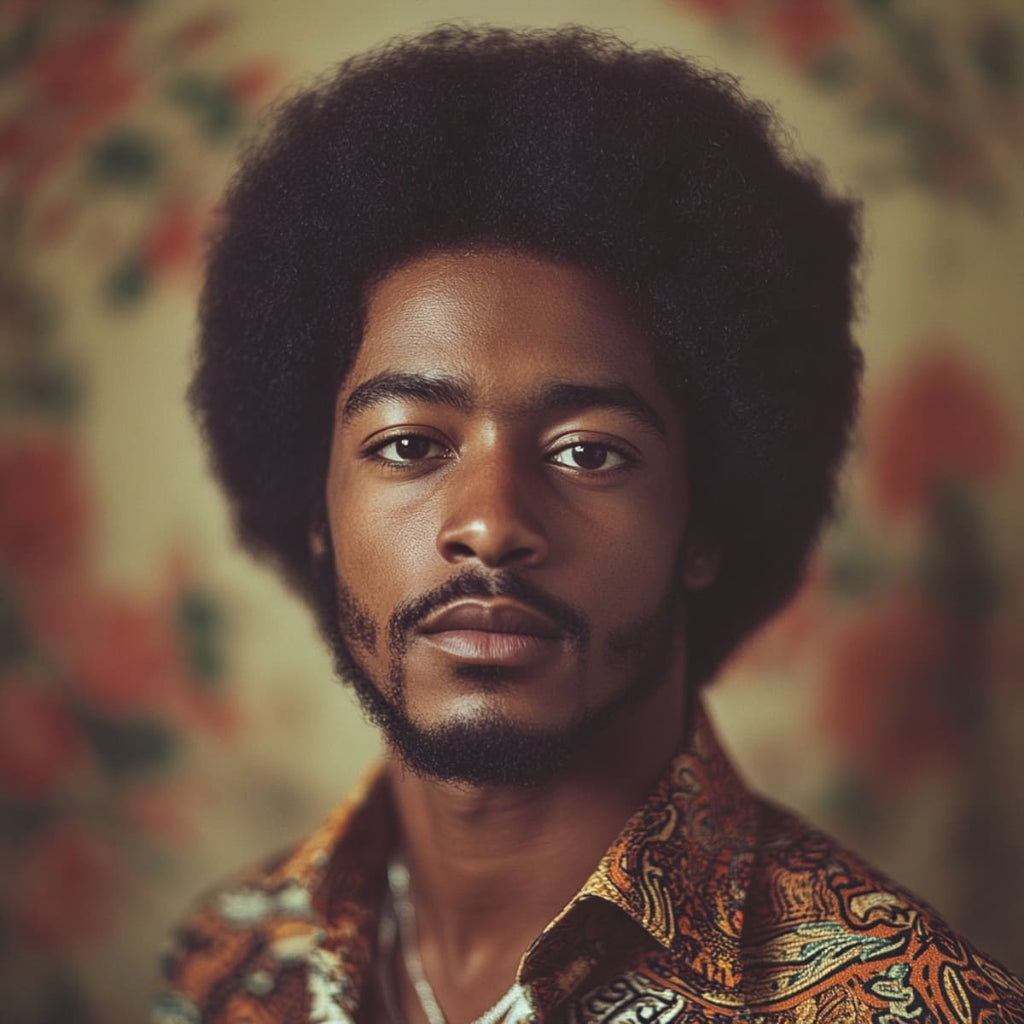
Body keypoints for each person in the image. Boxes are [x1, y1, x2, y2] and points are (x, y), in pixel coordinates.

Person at [153, 24, 1024, 1024]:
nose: (489, 524)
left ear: (703, 523)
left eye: (588, 452)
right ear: (314, 506)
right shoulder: (225, 960)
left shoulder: (909, 1008)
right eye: (407, 444)